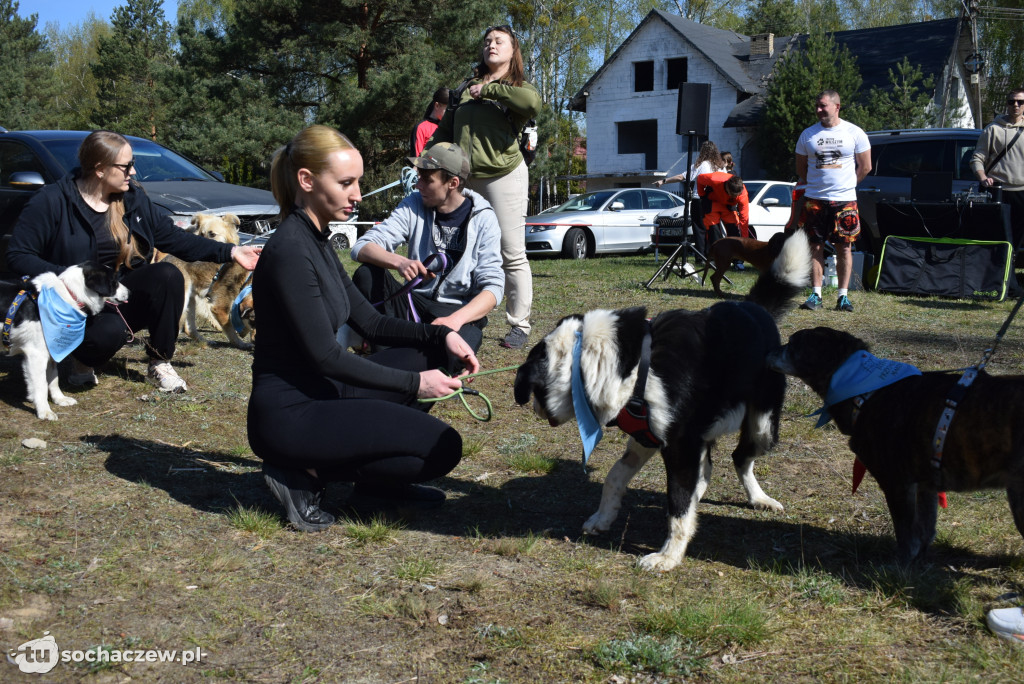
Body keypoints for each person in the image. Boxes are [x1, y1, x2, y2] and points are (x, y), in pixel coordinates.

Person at [247, 125, 480, 531]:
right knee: (442, 449)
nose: (358, 195)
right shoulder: (289, 250)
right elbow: (326, 356)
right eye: (346, 183)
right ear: (306, 180)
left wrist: (442, 335)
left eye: (357, 182)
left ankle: (376, 488)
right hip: (291, 413)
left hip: (324, 392)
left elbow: (370, 321)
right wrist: (413, 384)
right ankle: (300, 473)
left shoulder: (317, 238)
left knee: (431, 355)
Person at [5, 130, 261, 393]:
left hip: (119, 293)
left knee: (167, 274)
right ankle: (81, 359)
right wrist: (72, 278)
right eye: (126, 166)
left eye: (133, 164)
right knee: (107, 335)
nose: (133, 172)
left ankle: (160, 362)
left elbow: (174, 239)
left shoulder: (133, 200)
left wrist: (231, 252)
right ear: (100, 169)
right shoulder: (52, 201)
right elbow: (18, 256)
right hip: (72, 305)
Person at [428, 24, 541, 350]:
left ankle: (519, 325)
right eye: (487, 40)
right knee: (464, 250)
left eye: (499, 41)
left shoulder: (518, 87)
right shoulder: (465, 88)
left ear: (512, 50)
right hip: (465, 179)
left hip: (505, 176)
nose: (491, 45)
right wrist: (426, 159)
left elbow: (532, 105)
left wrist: (490, 91)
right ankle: (467, 314)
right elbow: (445, 132)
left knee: (511, 252)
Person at [350, 142, 503, 353]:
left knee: (461, 349)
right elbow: (362, 247)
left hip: (455, 310)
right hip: (413, 301)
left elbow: (493, 288)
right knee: (368, 274)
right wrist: (400, 262)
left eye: (427, 179)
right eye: (419, 176)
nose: (417, 185)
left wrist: (455, 320)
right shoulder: (414, 203)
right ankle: (385, 357)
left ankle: (404, 355)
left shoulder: (484, 218)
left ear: (453, 183)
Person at [794, 90, 871, 312]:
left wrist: (846, 186)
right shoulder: (808, 135)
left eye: (823, 106)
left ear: (837, 106)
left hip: (844, 201)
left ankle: (843, 297)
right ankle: (816, 294)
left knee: (844, 248)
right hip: (815, 199)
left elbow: (865, 166)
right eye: (817, 106)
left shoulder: (854, 132)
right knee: (814, 245)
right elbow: (800, 168)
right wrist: (817, 185)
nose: (818, 110)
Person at [971, 87, 1024, 249]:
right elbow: (977, 158)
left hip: (1021, 193)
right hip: (997, 191)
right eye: (1011, 101)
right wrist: (983, 178)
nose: (1015, 105)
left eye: (1020, 102)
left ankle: (1012, 269)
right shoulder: (992, 129)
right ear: (1007, 104)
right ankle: (995, 270)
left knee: (1019, 238)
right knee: (996, 236)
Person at [654, 140, 726, 256]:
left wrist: (663, 181)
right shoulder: (720, 167)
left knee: (699, 229)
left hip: (699, 199)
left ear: (703, 152)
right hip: (715, 201)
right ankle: (713, 254)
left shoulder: (700, 165)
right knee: (713, 228)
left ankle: (700, 255)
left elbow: (681, 177)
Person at [697, 172, 750, 239]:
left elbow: (744, 219)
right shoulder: (714, 179)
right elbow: (699, 179)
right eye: (733, 195)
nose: (736, 197)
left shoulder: (742, 196)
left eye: (737, 195)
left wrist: (745, 239)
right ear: (727, 188)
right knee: (713, 232)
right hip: (713, 202)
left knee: (734, 232)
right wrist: (702, 195)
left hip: (728, 206)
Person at [410, 87, 449, 157]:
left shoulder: (448, 127)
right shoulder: (421, 128)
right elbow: (416, 159)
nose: (449, 114)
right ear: (437, 105)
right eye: (447, 109)